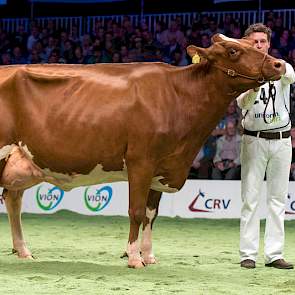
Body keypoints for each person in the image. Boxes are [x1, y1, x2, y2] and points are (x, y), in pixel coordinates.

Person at [237, 23, 295, 269]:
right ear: (248, 43)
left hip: (282, 140)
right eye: (254, 42)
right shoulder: (242, 72)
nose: (259, 45)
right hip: (254, 139)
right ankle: (248, 254)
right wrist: (253, 84)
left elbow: (290, 75)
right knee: (250, 199)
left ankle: (274, 254)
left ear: (269, 43)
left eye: (262, 41)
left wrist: (268, 67)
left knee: (277, 200)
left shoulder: (282, 65)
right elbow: (241, 103)